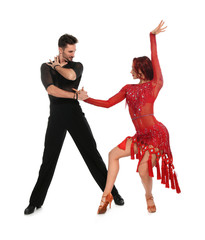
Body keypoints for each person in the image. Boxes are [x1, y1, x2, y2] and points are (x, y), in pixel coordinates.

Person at [82, 21, 181, 214]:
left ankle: (148, 195)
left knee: (143, 170)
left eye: (133, 68)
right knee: (113, 154)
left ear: (141, 69)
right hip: (141, 137)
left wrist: (151, 36)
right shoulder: (128, 89)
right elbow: (109, 103)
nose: (130, 71)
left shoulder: (155, 84)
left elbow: (155, 58)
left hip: (156, 134)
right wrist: (87, 99)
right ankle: (106, 195)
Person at [24, 34, 124, 215]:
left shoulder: (77, 66)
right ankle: (35, 202)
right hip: (56, 117)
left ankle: (112, 193)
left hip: (75, 115)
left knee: (92, 155)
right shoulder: (45, 68)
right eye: (70, 51)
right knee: (48, 159)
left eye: (74, 51)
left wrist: (57, 67)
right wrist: (75, 95)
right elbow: (51, 90)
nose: (73, 54)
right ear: (60, 49)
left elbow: (70, 76)